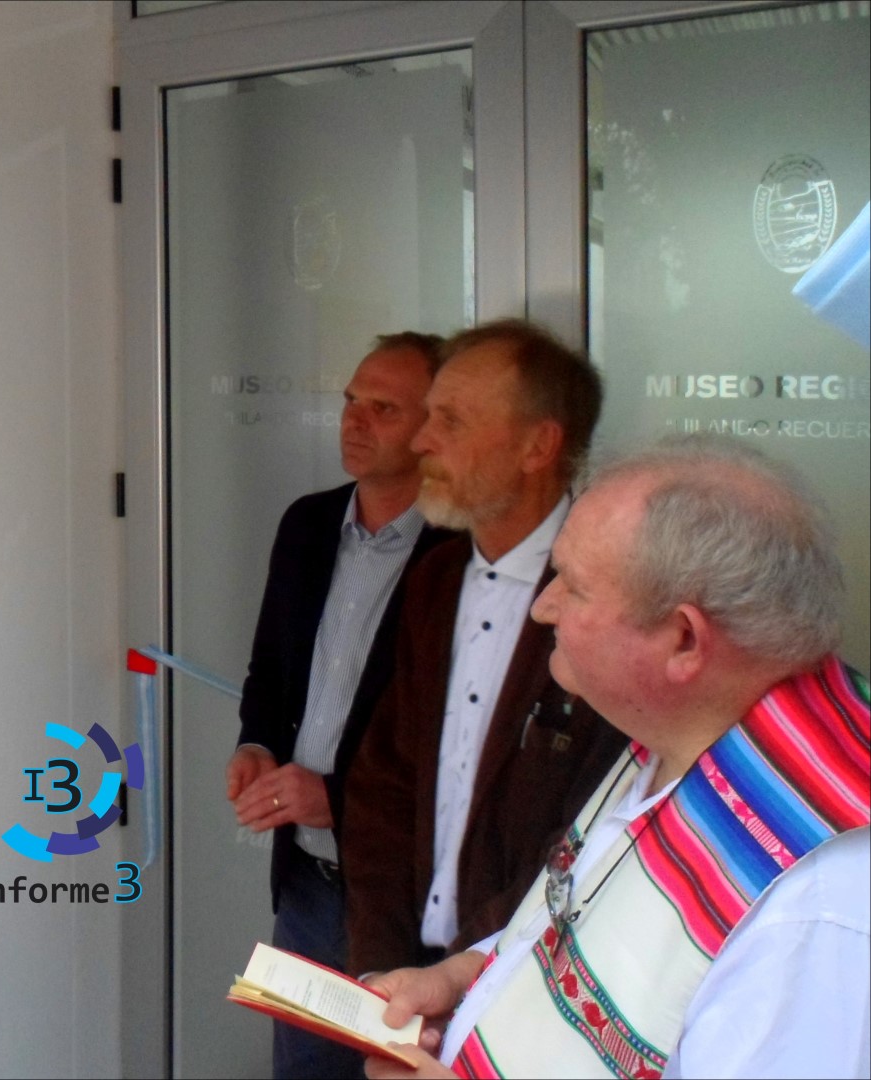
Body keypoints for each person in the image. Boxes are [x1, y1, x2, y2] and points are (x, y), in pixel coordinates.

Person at [363, 436, 869, 1079]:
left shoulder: (816, 901)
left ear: (683, 639)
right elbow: (597, 920)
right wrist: (466, 977)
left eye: (572, 587)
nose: (542, 606)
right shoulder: (692, 733)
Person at [341, 319, 628, 977]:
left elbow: (593, 823)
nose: (421, 441)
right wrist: (382, 968)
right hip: (407, 974)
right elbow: (384, 785)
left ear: (538, 446)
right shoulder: (435, 580)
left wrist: (466, 976)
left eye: (451, 420)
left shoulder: (612, 601)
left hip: (528, 978)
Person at [228, 332, 453, 1079]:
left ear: (434, 426)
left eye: (383, 408)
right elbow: (270, 670)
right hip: (307, 882)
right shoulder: (307, 525)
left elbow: (461, 743)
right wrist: (255, 745)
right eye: (351, 400)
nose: (354, 421)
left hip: (409, 898)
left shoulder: (461, 556)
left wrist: (340, 800)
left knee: (399, 1070)